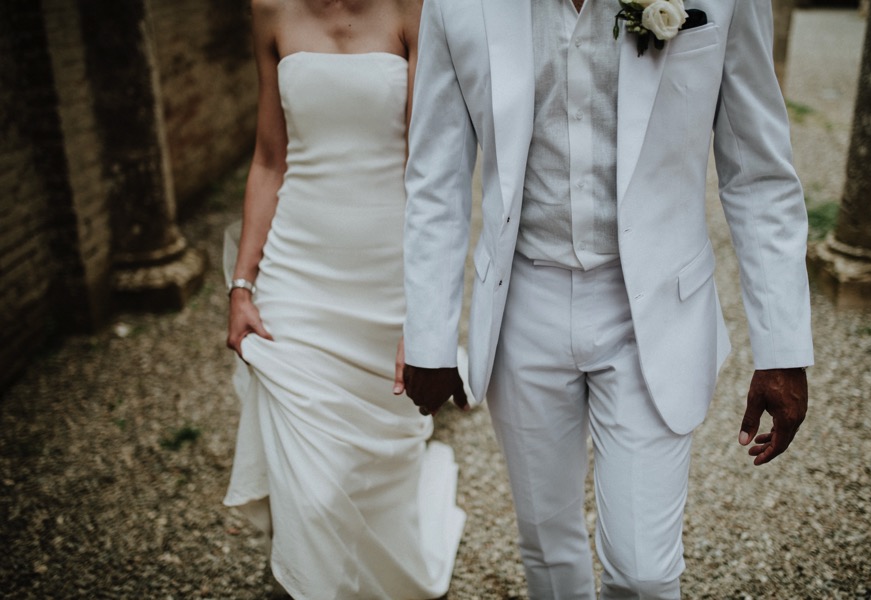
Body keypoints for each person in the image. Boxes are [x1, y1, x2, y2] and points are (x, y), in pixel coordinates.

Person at [402, 0, 813, 598]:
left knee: (645, 574)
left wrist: (782, 347)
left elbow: (758, 174)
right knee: (547, 545)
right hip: (521, 301)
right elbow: (436, 178)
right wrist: (430, 338)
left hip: (657, 304)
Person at [222, 0, 465, 597]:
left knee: (376, 463)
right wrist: (242, 284)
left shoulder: (411, 9)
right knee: (311, 485)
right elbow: (269, 159)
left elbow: (428, 167)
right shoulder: (270, 10)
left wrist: (427, 309)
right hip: (296, 273)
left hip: (386, 276)